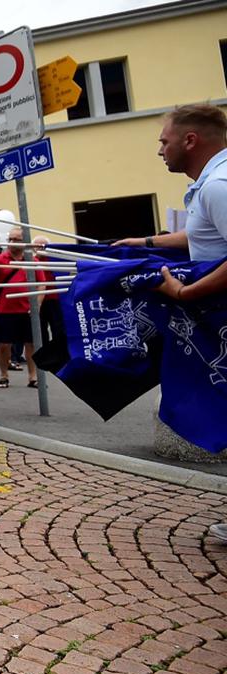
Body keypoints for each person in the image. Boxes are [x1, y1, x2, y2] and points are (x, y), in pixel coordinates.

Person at [138, 104, 227, 541]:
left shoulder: (220, 186)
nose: (160, 150)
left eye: (164, 140)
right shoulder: (212, 185)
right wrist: (145, 242)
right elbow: (203, 234)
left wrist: (186, 293)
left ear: (190, 140)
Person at [0, 228, 40, 389]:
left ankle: (32, 376)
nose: (11, 242)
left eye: (16, 239)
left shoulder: (32, 260)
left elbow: (42, 284)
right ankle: (4, 375)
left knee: (30, 344)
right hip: (4, 310)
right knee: (3, 345)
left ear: (24, 241)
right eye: (10, 239)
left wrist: (37, 304)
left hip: (27, 310)